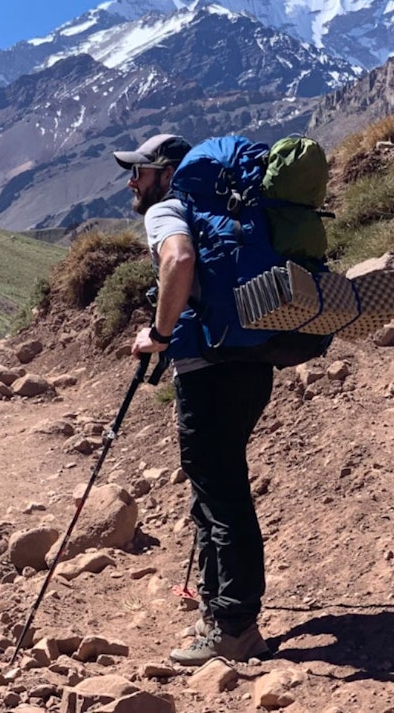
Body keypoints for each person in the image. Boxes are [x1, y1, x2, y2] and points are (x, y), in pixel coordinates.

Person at [114, 133, 273, 666]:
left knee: (221, 493)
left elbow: (178, 262)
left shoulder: (167, 210)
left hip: (208, 370)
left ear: (164, 173)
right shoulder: (230, 210)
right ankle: (221, 607)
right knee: (223, 484)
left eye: (138, 172)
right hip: (254, 359)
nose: (131, 182)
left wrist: (158, 335)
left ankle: (235, 627)